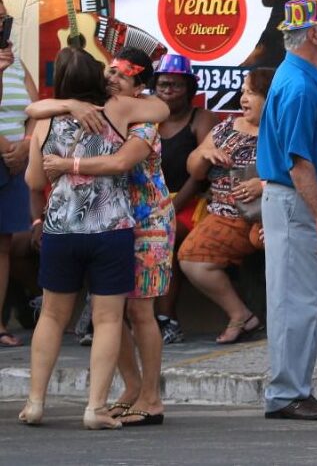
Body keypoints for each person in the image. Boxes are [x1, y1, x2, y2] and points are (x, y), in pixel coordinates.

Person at [30, 48, 175, 427]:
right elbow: (33, 110)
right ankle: (130, 388)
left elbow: (118, 164)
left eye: (121, 76)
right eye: (108, 72)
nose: (112, 79)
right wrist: (71, 105)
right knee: (109, 313)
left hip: (147, 222)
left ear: (138, 87)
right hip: (112, 225)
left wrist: (67, 165)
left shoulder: (138, 117)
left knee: (139, 311)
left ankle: (151, 397)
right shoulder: (107, 109)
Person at [258, 0, 317, 421]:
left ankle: (293, 389)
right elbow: (298, 163)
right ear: (312, 33)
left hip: (297, 204)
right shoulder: (297, 84)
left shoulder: (304, 76)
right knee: (297, 301)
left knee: (305, 300)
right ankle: (287, 392)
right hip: (296, 204)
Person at [180, 69, 274, 344]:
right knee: (190, 259)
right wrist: (204, 155)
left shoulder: (281, 130)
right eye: (243, 92)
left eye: (252, 93)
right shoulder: (225, 127)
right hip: (223, 213)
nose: (244, 99)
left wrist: (263, 184)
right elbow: (195, 171)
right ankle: (241, 314)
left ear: (270, 97)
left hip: (267, 214)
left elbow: (300, 172)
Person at [152, 53, 217, 345]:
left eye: (175, 85)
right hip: (152, 202)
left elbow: (201, 173)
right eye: (162, 84)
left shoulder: (201, 118)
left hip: (190, 205)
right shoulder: (146, 120)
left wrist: (170, 208)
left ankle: (167, 319)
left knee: (166, 236)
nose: (167, 90)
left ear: (189, 89)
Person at [0, 0, 36, 348]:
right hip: (5, 155)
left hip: (15, 162)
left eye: (4, 17)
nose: (2, 24)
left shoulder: (14, 60)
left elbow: (36, 108)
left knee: (4, 246)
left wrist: (26, 145)